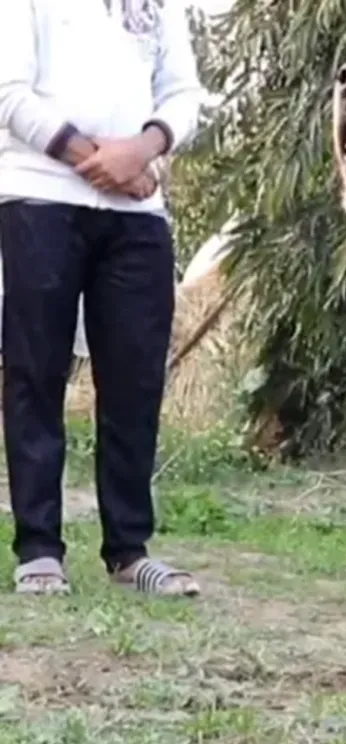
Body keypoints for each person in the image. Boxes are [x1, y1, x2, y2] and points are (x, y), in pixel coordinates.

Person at [0, 0, 205, 595]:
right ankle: (39, 549)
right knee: (36, 373)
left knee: (135, 379)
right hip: (38, 198)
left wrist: (142, 151)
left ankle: (129, 550)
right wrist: (103, 161)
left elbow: (184, 94)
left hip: (138, 212)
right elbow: (10, 94)